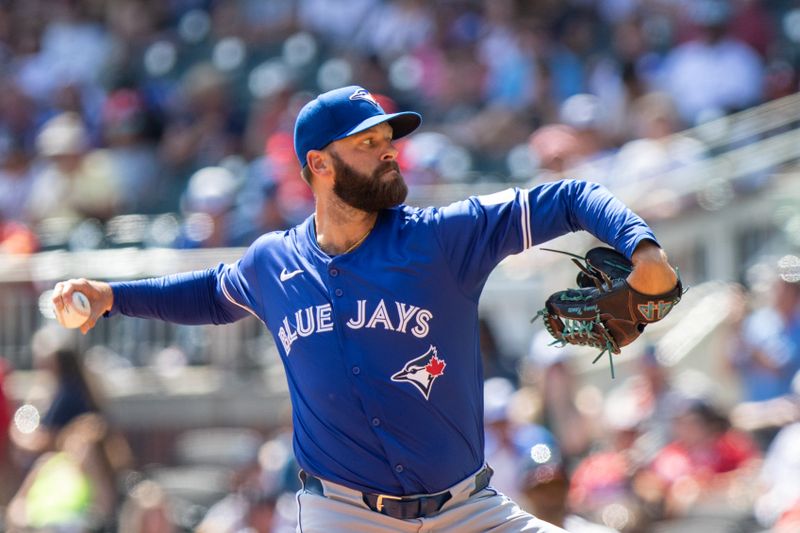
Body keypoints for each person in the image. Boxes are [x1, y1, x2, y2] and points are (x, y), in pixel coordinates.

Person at [52, 85, 678, 532]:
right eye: (367, 142)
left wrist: (643, 249)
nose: (388, 150)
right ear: (318, 166)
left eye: (389, 139)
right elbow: (209, 295)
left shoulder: (439, 239)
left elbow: (570, 196)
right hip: (343, 515)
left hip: (468, 510)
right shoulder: (273, 262)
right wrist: (112, 298)